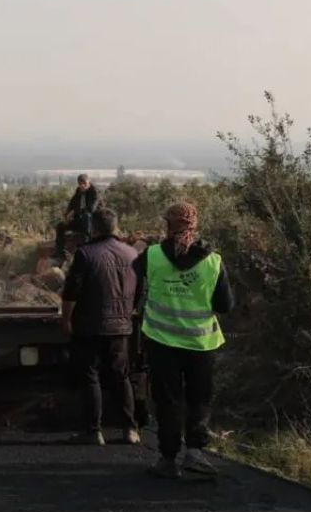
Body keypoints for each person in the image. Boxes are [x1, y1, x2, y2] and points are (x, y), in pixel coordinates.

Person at [135, 202, 234, 479]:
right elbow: (225, 305)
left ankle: (167, 458)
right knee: (199, 398)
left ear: (168, 225)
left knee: (168, 400)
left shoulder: (152, 255)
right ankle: (195, 453)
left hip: (161, 342)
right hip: (201, 345)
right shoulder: (213, 260)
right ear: (194, 225)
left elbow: (135, 287)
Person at [60, 208, 141, 447]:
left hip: (90, 326)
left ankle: (94, 431)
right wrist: (128, 312)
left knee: (91, 376)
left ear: (93, 228)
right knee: (120, 377)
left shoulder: (85, 254)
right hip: (121, 326)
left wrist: (66, 319)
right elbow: (141, 289)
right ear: (115, 227)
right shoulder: (132, 254)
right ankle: (130, 429)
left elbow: (71, 292)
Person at [54, 174, 100, 264]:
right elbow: (71, 204)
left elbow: (91, 209)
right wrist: (67, 215)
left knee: (87, 216)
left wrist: (75, 211)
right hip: (79, 220)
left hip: (92, 221)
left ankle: (86, 249)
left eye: (85, 183)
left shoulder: (94, 192)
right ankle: (59, 253)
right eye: (80, 183)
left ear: (89, 182)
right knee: (60, 226)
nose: (82, 185)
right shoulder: (78, 191)